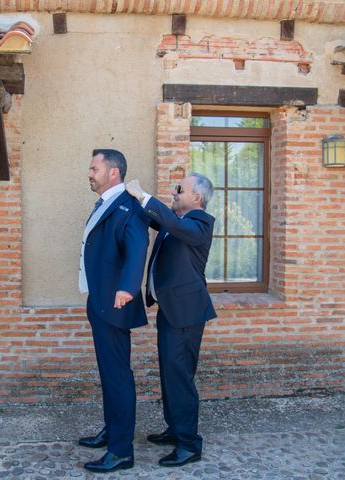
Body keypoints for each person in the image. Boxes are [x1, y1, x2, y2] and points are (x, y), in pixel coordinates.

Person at [126, 172, 216, 467]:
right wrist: (130, 198)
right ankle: (176, 429)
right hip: (171, 310)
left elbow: (169, 221)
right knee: (169, 375)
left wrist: (143, 194)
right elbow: (158, 218)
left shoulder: (199, 223)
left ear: (197, 198)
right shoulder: (175, 221)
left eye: (180, 189)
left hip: (187, 314)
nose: (174, 192)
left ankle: (189, 445)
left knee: (180, 379)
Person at [78, 149, 149, 473]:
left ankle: (121, 451)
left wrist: (127, 288)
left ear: (113, 173)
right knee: (109, 375)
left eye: (94, 168)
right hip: (100, 302)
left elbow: (137, 248)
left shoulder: (129, 207)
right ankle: (112, 431)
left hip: (116, 303)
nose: (89, 173)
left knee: (118, 377)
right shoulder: (106, 203)